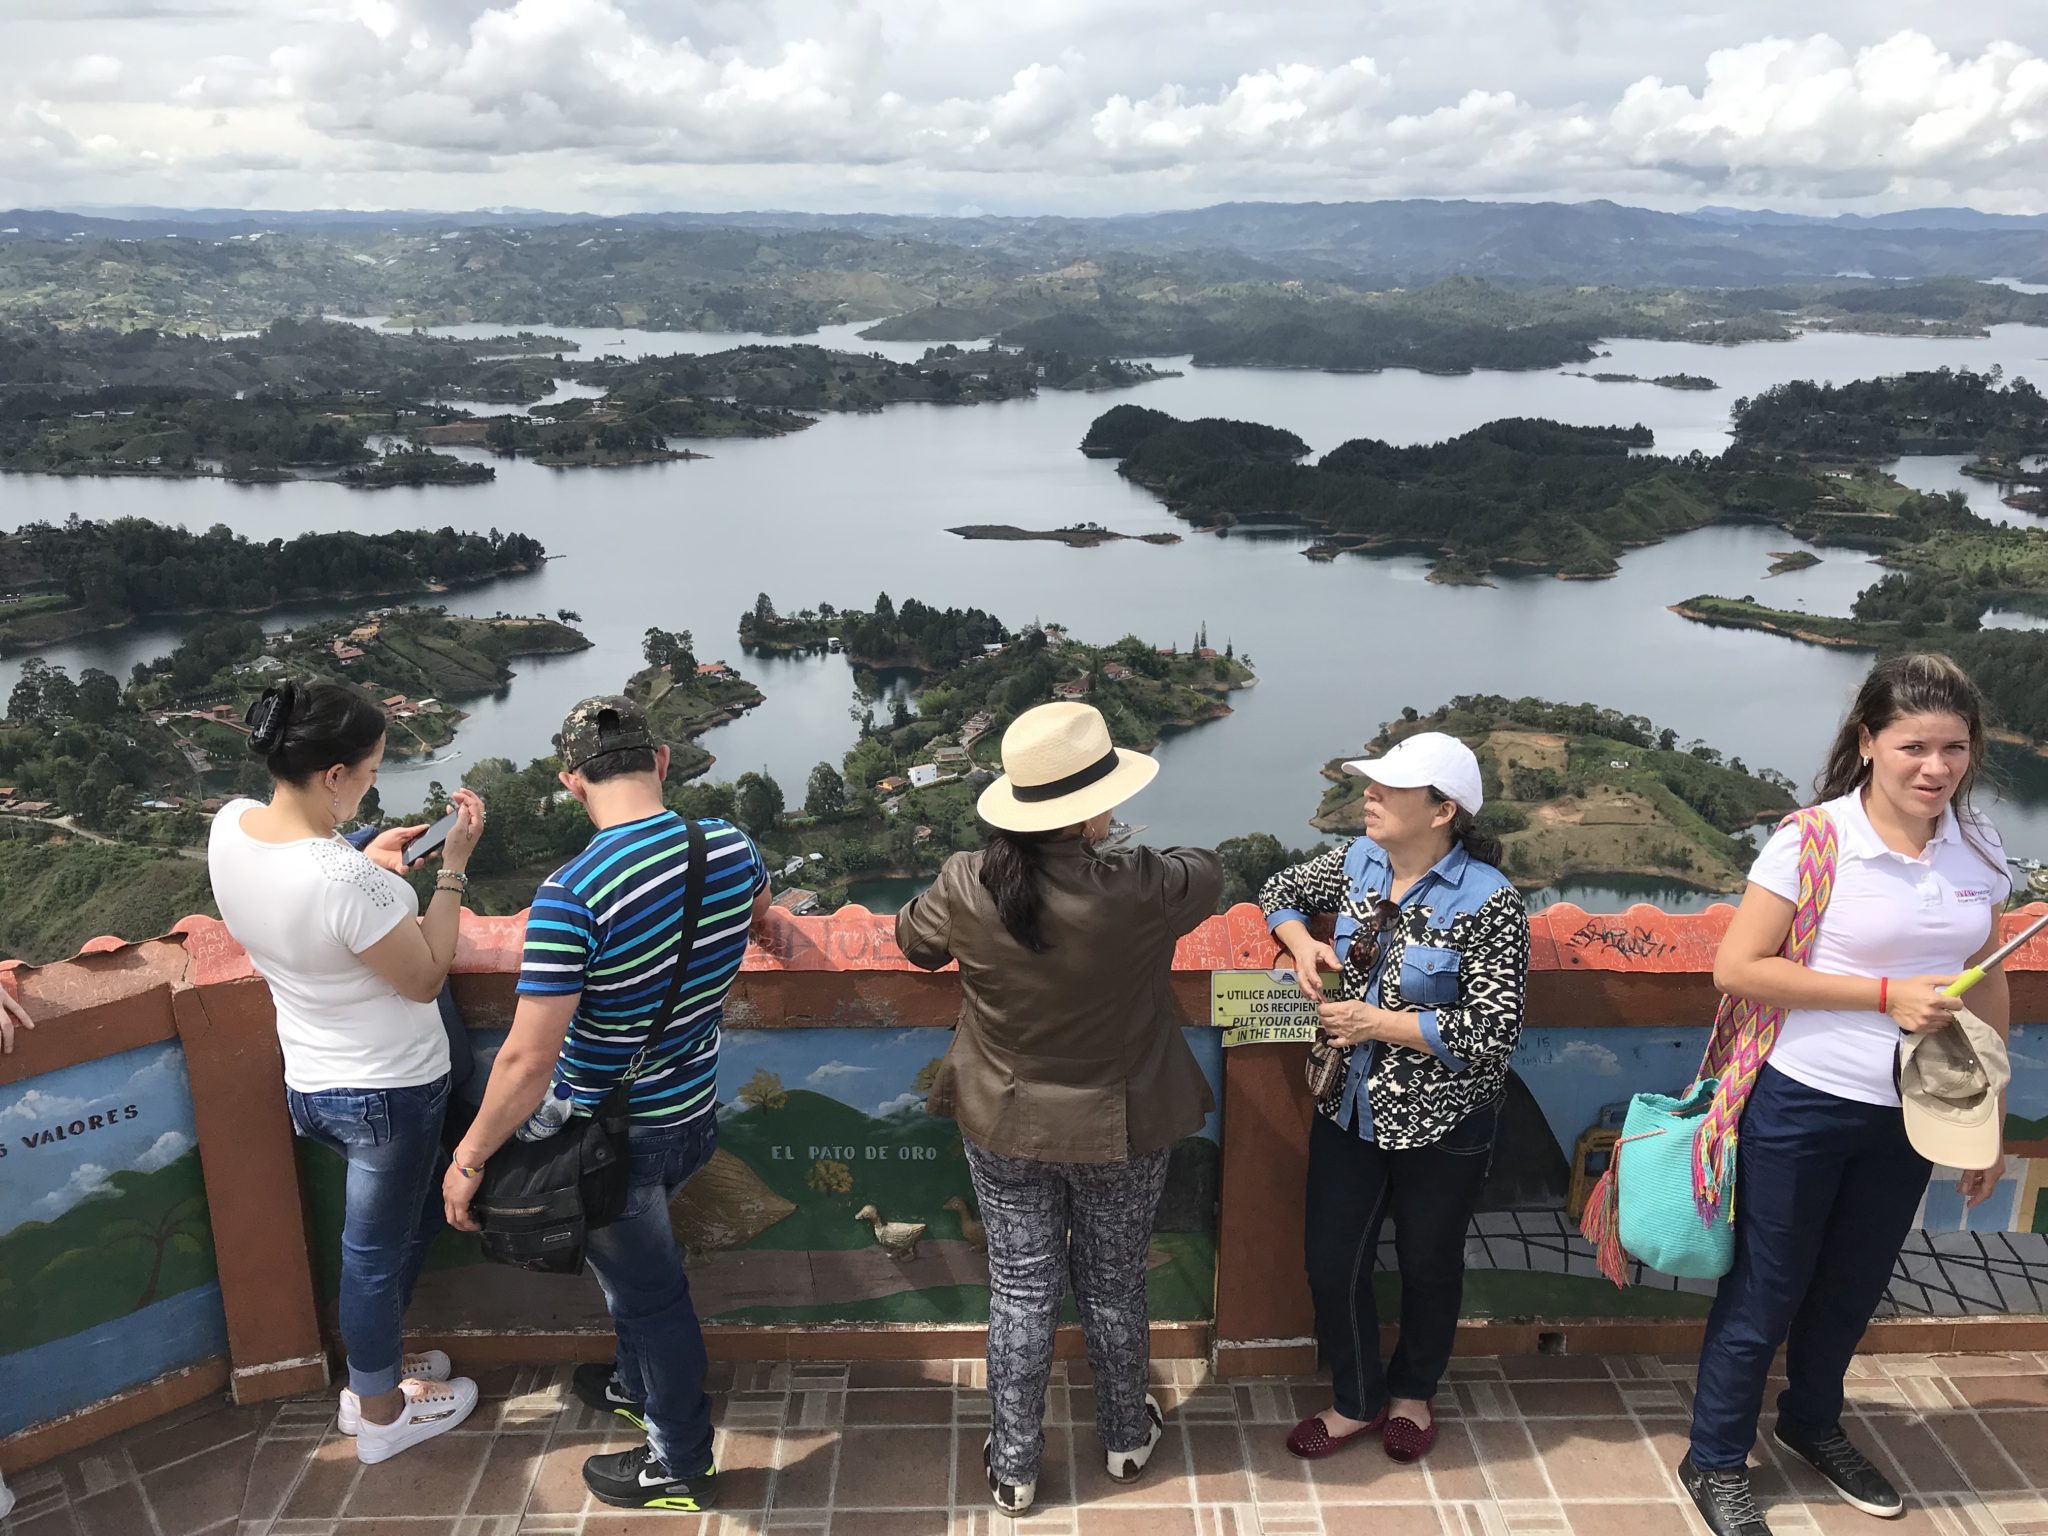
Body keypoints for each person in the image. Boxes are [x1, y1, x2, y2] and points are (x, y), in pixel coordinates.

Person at [1680, 655, 2013, 1536]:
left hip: (1914, 1111)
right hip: (1805, 1099)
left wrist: (1988, 1114)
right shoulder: (1814, 839)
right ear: (1868, 744)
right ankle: (1713, 1457)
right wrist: (1882, 996)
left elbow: (1987, 982)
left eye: (1953, 748)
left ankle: (1811, 1421)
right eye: (1912, 747)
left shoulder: (1979, 846)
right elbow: (1738, 967)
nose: (1934, 768)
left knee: (1854, 1284)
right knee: (1768, 1286)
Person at [442, 695, 769, 1515]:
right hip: (692, 1109)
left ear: (571, 783)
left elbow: (525, 1058)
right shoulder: (728, 843)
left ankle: (678, 1464)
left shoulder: (574, 892)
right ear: (660, 762)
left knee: (652, 1295)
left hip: (611, 1139)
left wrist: (470, 1157)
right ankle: (633, 1382)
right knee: (640, 1278)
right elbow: (760, 914)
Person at [896, 701, 1223, 1516]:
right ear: (1087, 809)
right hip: (1124, 1121)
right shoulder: (1139, 886)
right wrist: (1117, 850)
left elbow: (913, 942)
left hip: (1004, 1120)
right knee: (1113, 1285)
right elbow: (1210, 871)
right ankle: (1123, 1438)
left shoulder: (969, 880)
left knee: (1021, 1288)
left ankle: (1013, 1465)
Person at [206, 680, 487, 1465]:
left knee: (392, 1234)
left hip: (313, 1080)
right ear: (333, 774)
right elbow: (427, 974)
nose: (372, 782)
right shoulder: (343, 882)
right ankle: (381, 1414)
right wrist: (451, 868)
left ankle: (379, 1368)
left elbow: (313, 908)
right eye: (367, 769)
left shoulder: (231, 828)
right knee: (374, 1255)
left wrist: (365, 850)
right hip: (389, 1091)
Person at [1258, 731, 1529, 1466]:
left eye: (1388, 788)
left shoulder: (1489, 902)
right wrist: (1299, 941)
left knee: (1430, 1260)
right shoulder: (1357, 863)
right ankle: (1354, 1398)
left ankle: (1413, 1392)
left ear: (1443, 811)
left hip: (1444, 1120)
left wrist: (1379, 1023)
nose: (1368, 797)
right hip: (1349, 1106)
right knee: (1331, 1259)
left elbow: (1493, 1031)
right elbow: (1278, 891)